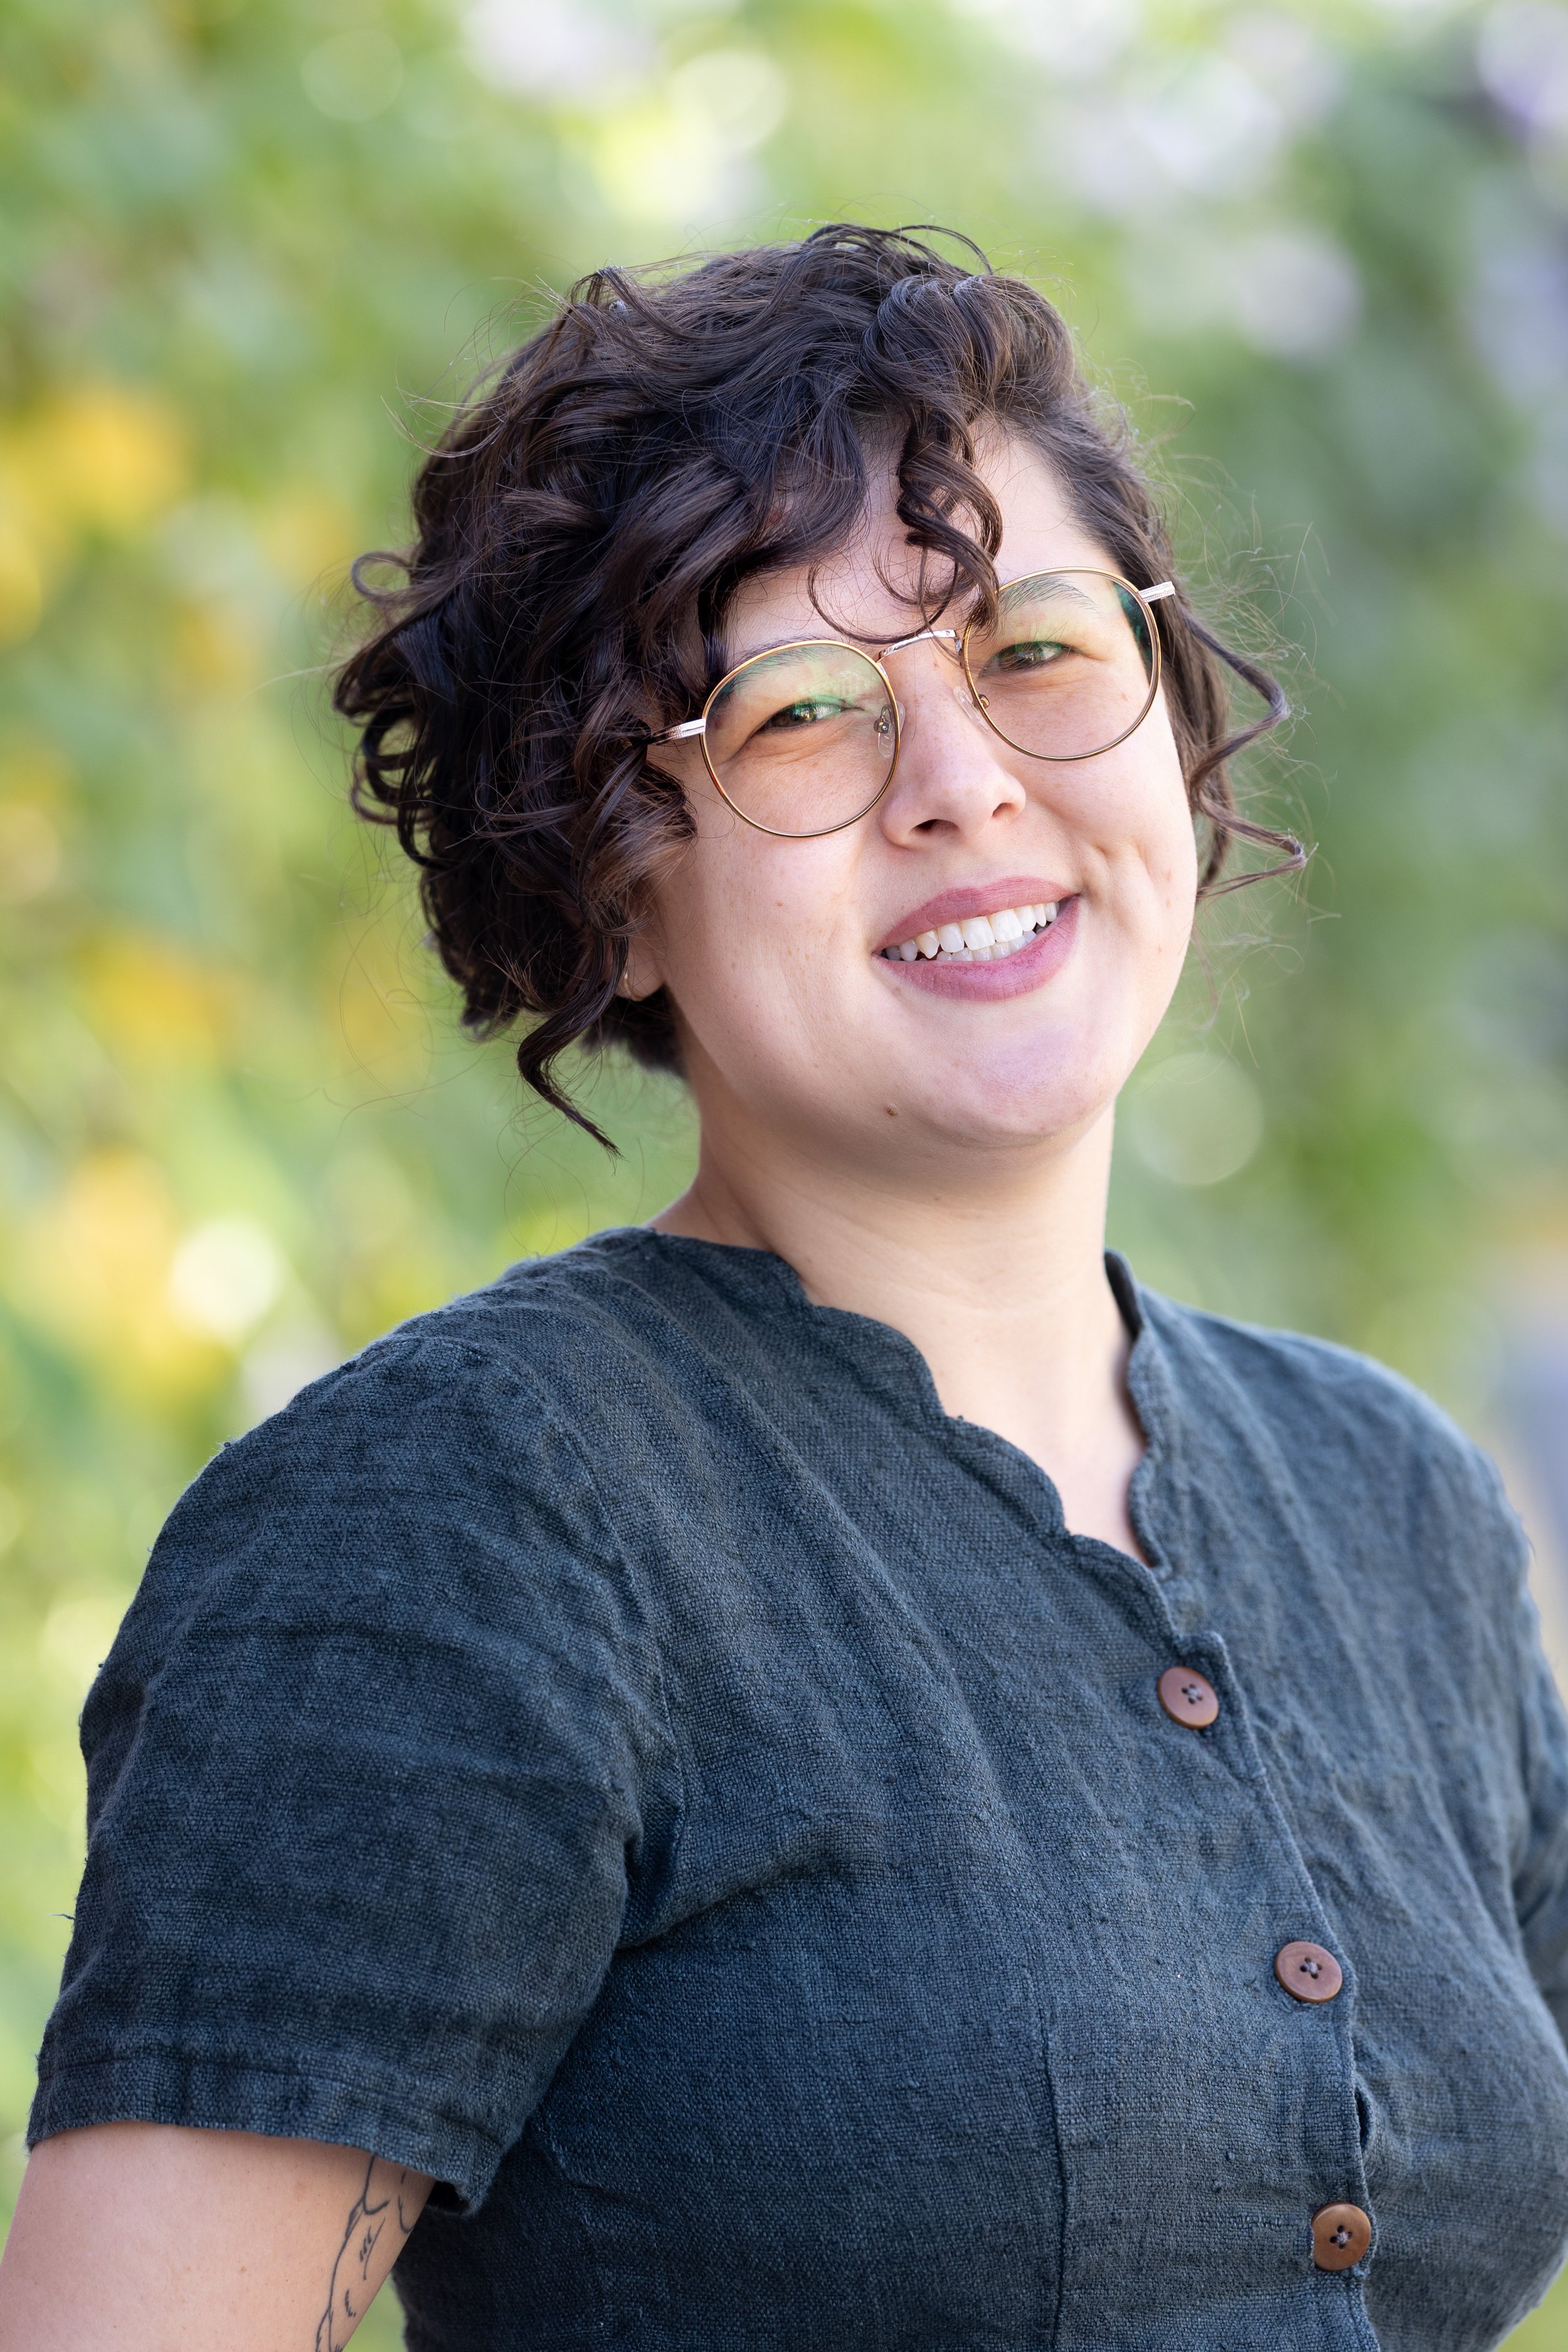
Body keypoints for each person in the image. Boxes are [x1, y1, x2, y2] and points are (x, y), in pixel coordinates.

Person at [1, 225, 1565, 2352]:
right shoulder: (465, 1515)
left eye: (1034, 648)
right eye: (801, 712)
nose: (963, 782)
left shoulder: (1391, 1500)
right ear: (609, 882)